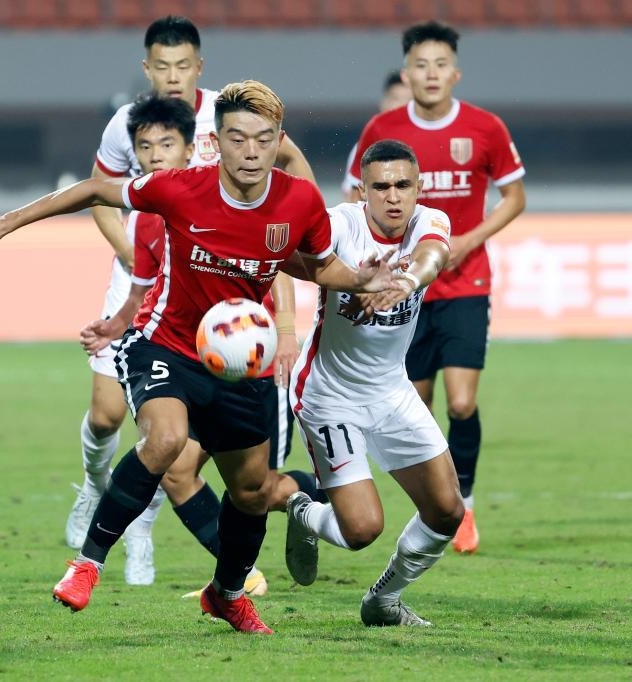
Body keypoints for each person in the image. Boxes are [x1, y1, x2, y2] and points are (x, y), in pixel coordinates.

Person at [0, 80, 397, 634]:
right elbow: (94, 190)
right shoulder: (179, 188)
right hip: (165, 343)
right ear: (218, 139)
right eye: (237, 138)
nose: (250, 151)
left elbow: (314, 263)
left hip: (239, 364)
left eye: (263, 139)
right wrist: (5, 223)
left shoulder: (299, 201)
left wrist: (359, 279)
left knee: (252, 491)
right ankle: (87, 564)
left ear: (278, 140)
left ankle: (227, 595)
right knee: (165, 441)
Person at [70, 15, 318, 589]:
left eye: (183, 65)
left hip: (225, 303)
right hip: (148, 277)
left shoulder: (230, 119)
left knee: (226, 473)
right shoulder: (124, 124)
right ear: (147, 69)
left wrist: (286, 322)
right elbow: (98, 191)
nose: (173, 76)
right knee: (114, 419)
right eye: (163, 66)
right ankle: (96, 495)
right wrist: (131, 254)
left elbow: (278, 218)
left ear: (199, 68)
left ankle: (272, 529)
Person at [346, 22, 527, 553]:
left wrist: (469, 240)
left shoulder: (484, 127)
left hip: (466, 281)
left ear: (456, 73)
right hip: (402, 289)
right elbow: (355, 199)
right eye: (420, 65)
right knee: (417, 406)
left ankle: (463, 504)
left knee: (463, 402)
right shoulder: (384, 129)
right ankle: (436, 503)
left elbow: (515, 197)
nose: (431, 74)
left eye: (440, 64)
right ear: (406, 73)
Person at [284, 139, 465, 627]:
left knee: (447, 511)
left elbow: (432, 257)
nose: (393, 196)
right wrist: (348, 278)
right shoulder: (340, 226)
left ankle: (384, 600)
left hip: (391, 392)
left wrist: (403, 282)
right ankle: (303, 511)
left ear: (419, 187)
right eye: (380, 187)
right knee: (362, 529)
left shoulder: (430, 221)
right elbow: (284, 255)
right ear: (362, 190)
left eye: (403, 185)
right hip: (330, 395)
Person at [340, 70, 412, 198]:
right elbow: (353, 197)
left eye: (408, 101)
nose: (401, 106)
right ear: (383, 102)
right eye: (395, 98)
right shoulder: (367, 147)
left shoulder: (428, 143)